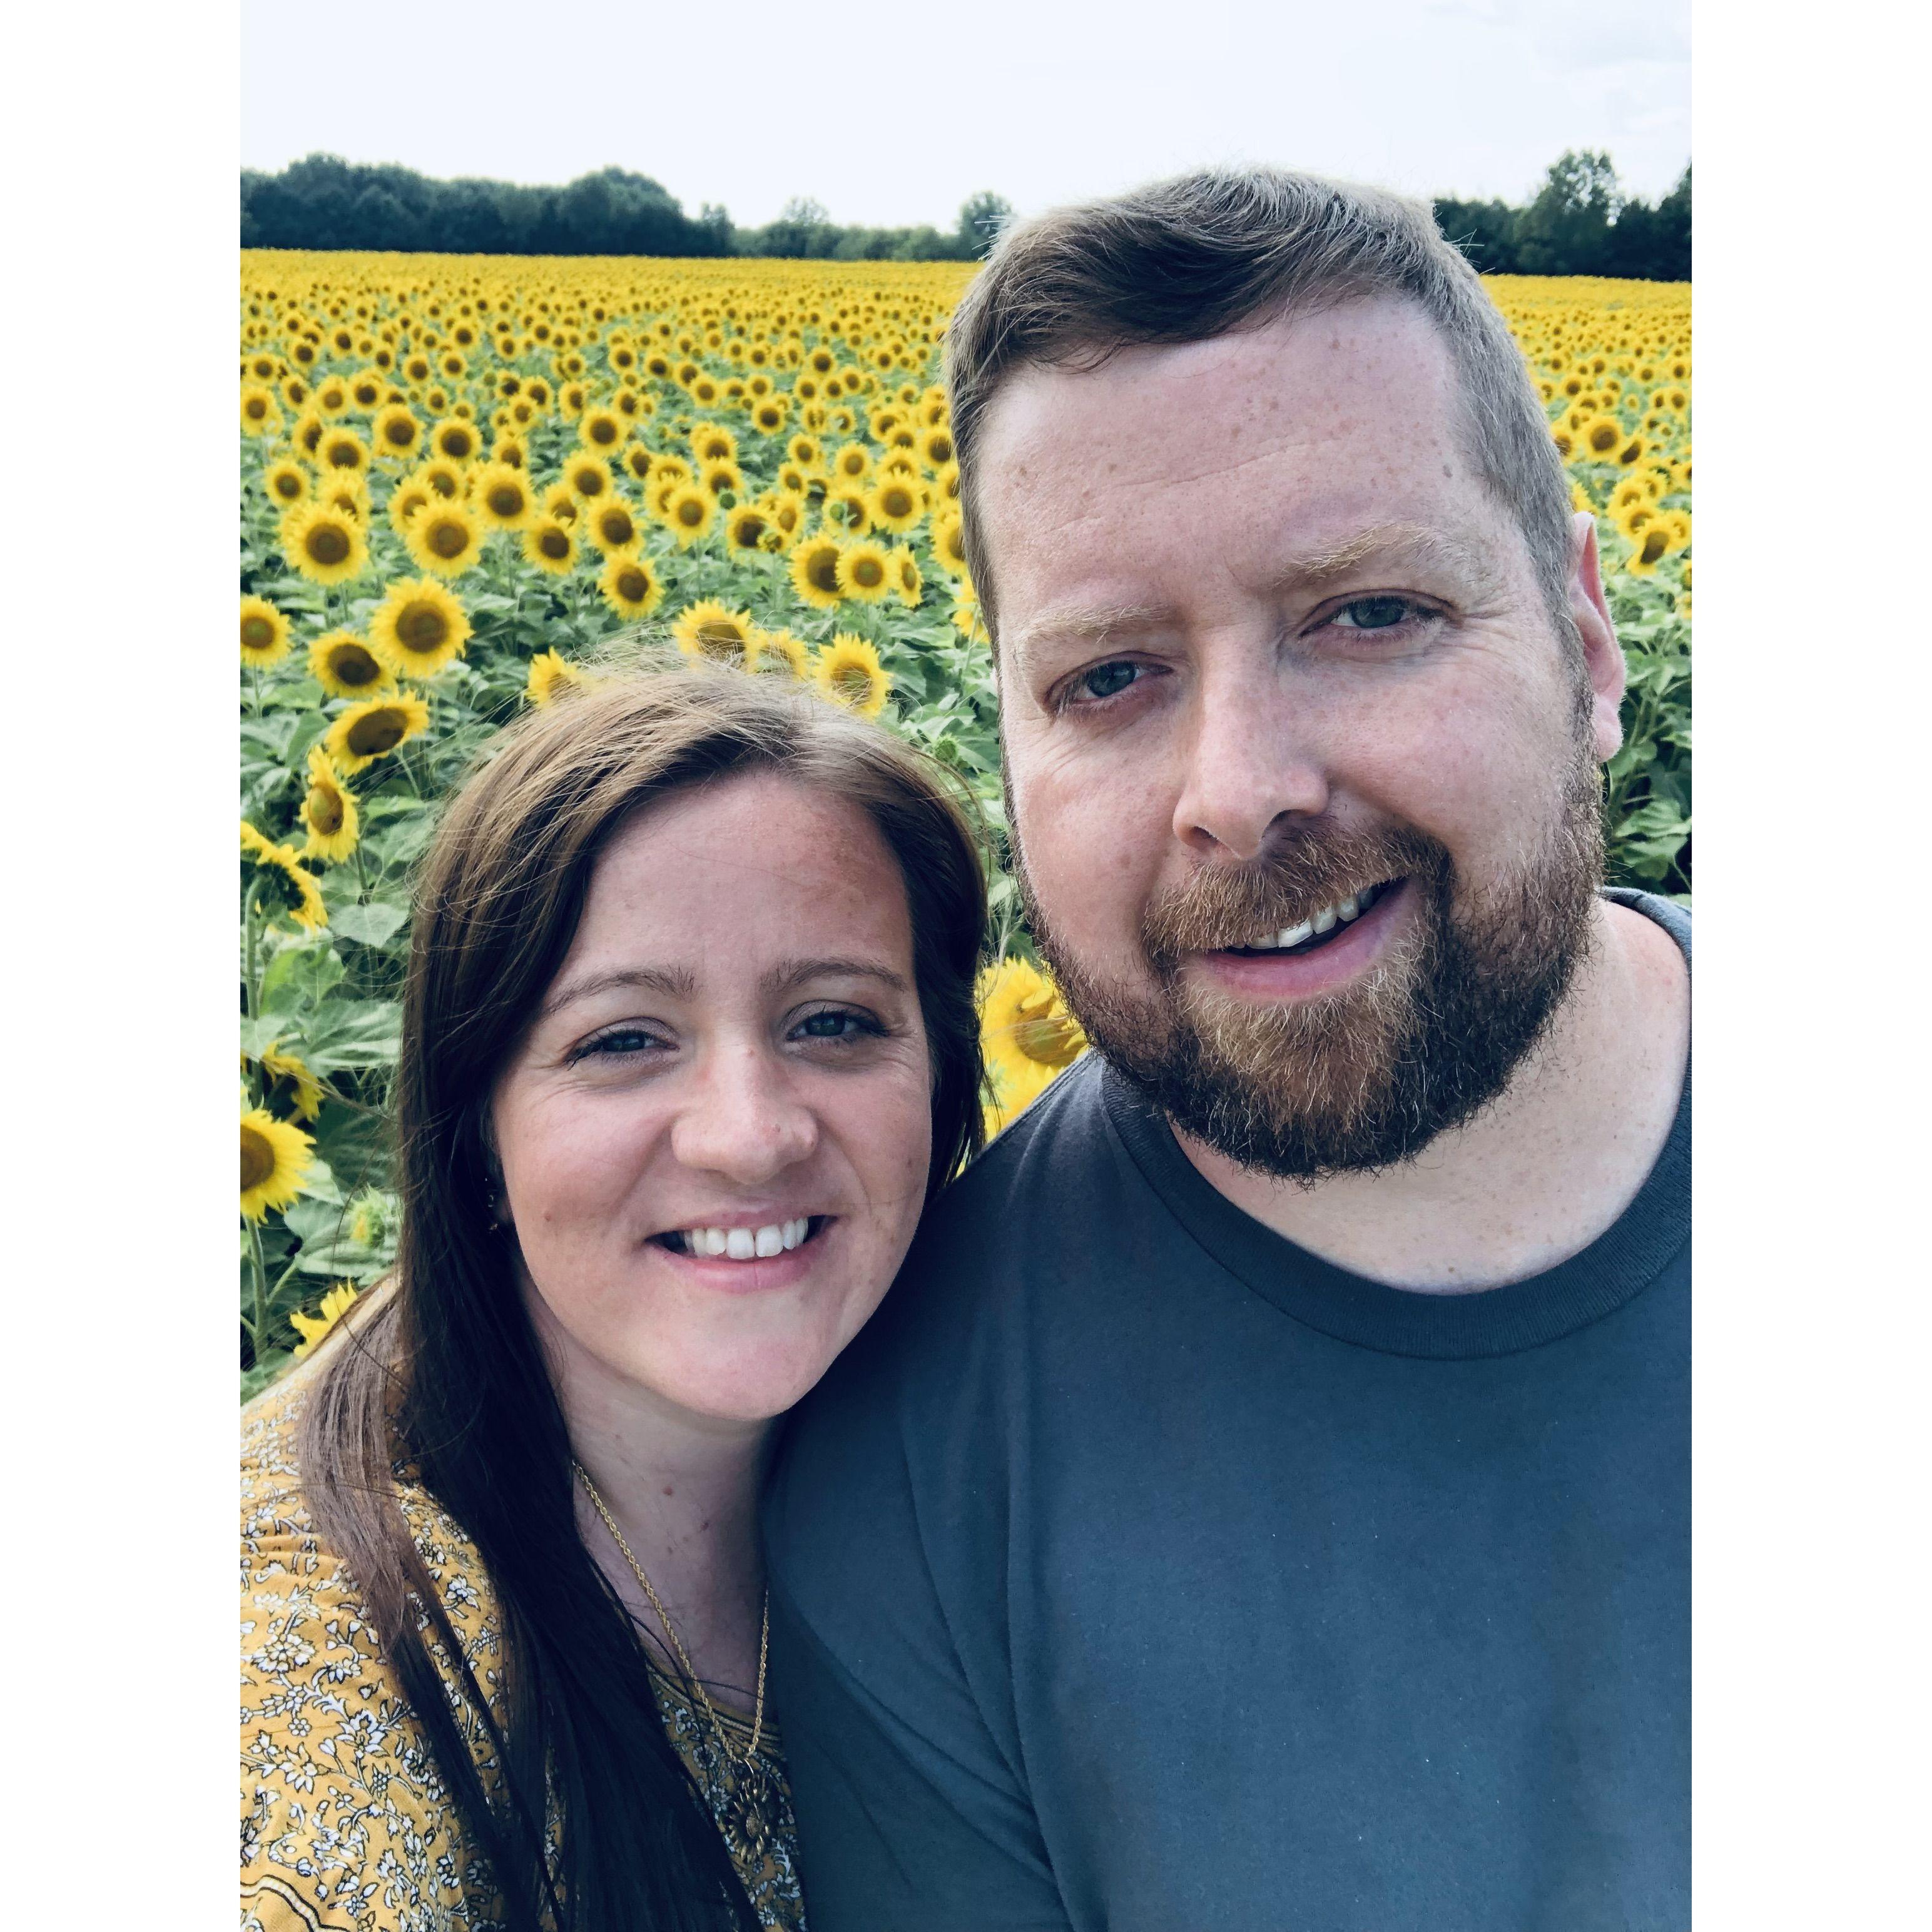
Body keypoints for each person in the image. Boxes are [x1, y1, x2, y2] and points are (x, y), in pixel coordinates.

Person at [763, 167, 1692, 1929]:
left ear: (1584, 638)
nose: (1241, 790)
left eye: (1369, 613)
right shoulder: (914, 1481)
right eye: (1108, 676)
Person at [241, 662, 987, 1932]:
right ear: (476, 1131)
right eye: (623, 1039)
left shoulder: (990, 1432)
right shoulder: (317, 1690)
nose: (749, 1137)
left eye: (833, 1021)